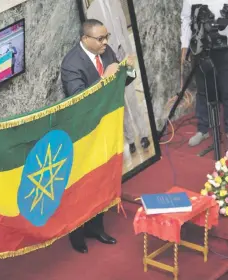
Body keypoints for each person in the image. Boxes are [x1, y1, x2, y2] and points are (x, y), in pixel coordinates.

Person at [60, 18, 135, 254]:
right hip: (83, 132)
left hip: (106, 126)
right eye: (100, 39)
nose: (105, 42)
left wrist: (127, 70)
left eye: (107, 37)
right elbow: (79, 99)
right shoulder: (71, 64)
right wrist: (105, 79)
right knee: (82, 185)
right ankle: (77, 233)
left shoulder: (106, 51)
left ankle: (96, 227)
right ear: (85, 39)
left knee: (102, 178)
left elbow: (120, 81)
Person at [87, 0, 151, 153]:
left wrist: (130, 51)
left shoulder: (116, 2)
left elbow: (123, 26)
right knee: (120, 102)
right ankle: (130, 139)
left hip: (125, 57)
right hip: (109, 62)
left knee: (133, 98)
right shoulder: (91, 12)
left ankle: (144, 134)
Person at [180, 0, 228, 146]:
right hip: (201, 49)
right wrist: (184, 43)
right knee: (202, 91)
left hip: (226, 49)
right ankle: (202, 130)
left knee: (227, 91)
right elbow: (185, 19)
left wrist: (226, 40)